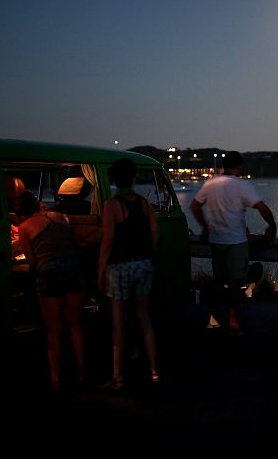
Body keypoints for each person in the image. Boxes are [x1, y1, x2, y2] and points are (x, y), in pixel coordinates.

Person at [190, 151, 277, 333]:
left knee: (218, 281)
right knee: (235, 285)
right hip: (236, 241)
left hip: (216, 240)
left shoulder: (210, 183)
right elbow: (262, 208)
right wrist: (272, 226)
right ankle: (234, 322)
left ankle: (213, 319)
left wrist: (205, 226)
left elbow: (195, 206)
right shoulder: (241, 185)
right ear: (238, 166)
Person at [98, 158, 160, 389]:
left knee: (119, 323)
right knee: (144, 319)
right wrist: (148, 257)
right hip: (143, 264)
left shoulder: (112, 205)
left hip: (119, 267)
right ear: (134, 178)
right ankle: (154, 371)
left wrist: (100, 270)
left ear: (114, 179)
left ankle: (118, 376)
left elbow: (108, 240)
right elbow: (155, 235)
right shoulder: (144, 204)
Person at [17, 191, 86, 392]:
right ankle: (82, 374)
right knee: (76, 324)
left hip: (50, 272)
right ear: (39, 206)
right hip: (75, 268)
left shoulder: (24, 227)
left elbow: (32, 261)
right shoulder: (61, 217)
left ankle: (56, 378)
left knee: (53, 330)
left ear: (23, 213)